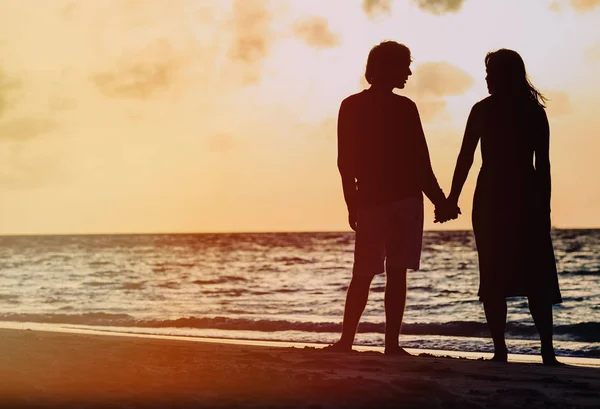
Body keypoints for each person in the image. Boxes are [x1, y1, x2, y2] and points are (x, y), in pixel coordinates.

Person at [325, 41, 458, 355]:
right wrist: (440, 200)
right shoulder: (396, 107)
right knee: (385, 273)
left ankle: (356, 343)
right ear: (386, 67)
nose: (409, 72)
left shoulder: (364, 105)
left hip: (382, 200)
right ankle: (383, 345)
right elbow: (419, 162)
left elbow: (348, 163)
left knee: (372, 273)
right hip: (395, 201)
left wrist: (351, 202)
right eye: (404, 66)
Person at [443, 49, 562, 365]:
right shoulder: (532, 112)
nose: (485, 78)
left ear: (502, 75)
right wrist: (545, 208)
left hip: (497, 197)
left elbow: (466, 158)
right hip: (521, 197)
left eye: (490, 73)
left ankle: (505, 350)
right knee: (527, 275)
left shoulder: (487, 110)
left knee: (499, 274)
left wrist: (453, 199)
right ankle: (543, 352)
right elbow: (543, 166)